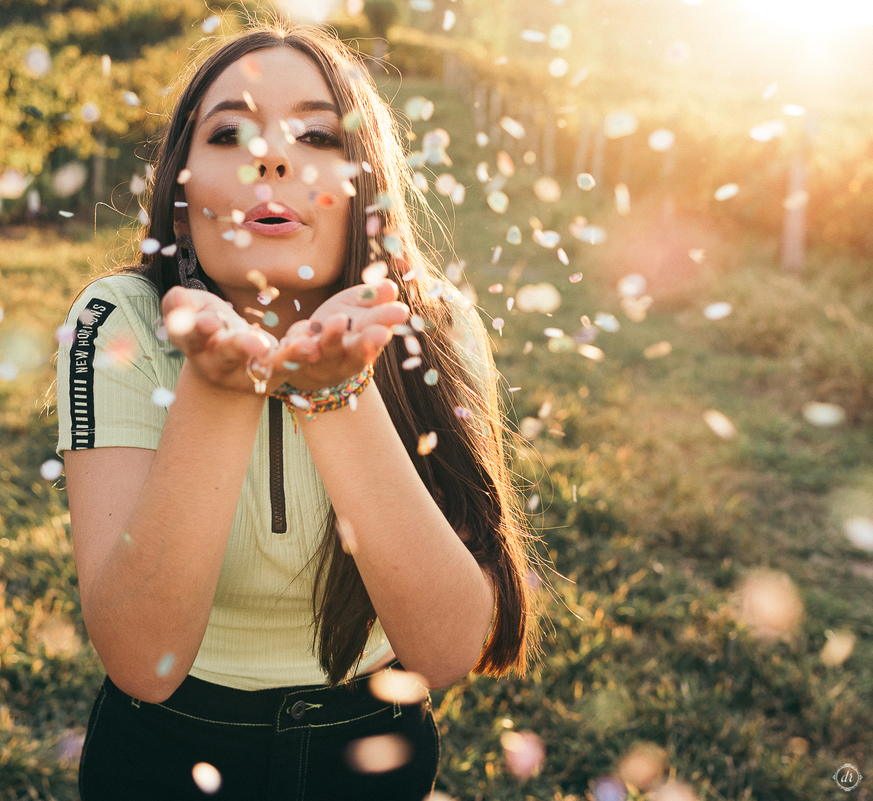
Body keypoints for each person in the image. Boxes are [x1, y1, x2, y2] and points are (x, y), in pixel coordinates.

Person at [55, 23, 536, 800]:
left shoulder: (435, 325)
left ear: (365, 192)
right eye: (231, 133)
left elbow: (445, 650)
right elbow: (143, 659)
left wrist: (335, 393)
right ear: (181, 204)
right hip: (164, 751)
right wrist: (219, 388)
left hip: (370, 748)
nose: (271, 159)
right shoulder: (116, 321)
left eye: (315, 132)